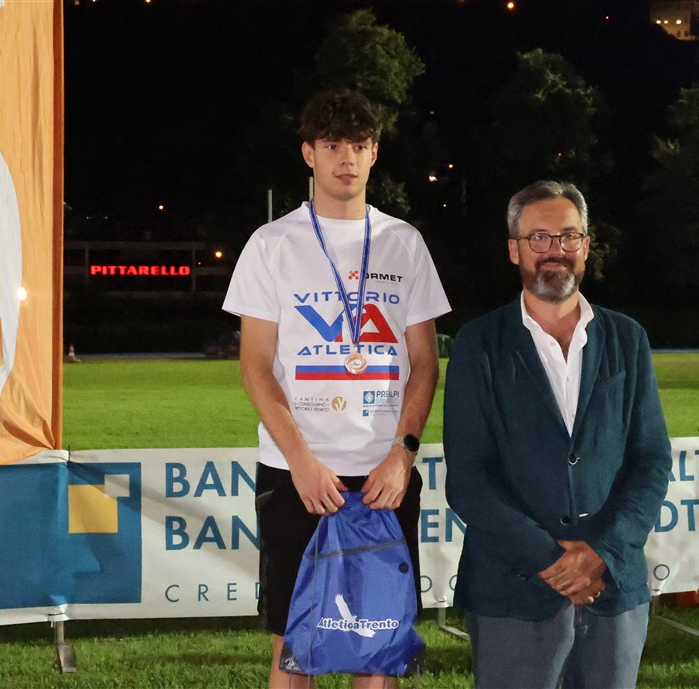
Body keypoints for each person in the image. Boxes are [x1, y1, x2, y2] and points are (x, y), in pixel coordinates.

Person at [223, 89, 451, 689]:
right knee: (294, 645)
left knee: (379, 645)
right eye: (331, 145)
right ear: (309, 154)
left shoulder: (404, 243)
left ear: (375, 153)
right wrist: (301, 461)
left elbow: (425, 363)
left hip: (384, 475)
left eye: (358, 145)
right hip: (297, 474)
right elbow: (255, 366)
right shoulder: (271, 244)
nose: (346, 158)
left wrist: (402, 454)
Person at [443, 180, 671, 689]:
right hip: (512, 590)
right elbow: (469, 480)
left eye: (568, 236)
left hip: (612, 587)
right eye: (539, 238)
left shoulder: (627, 339)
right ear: (514, 250)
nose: (555, 250)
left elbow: (651, 460)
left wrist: (600, 552)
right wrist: (552, 561)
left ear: (586, 246)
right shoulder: (479, 344)